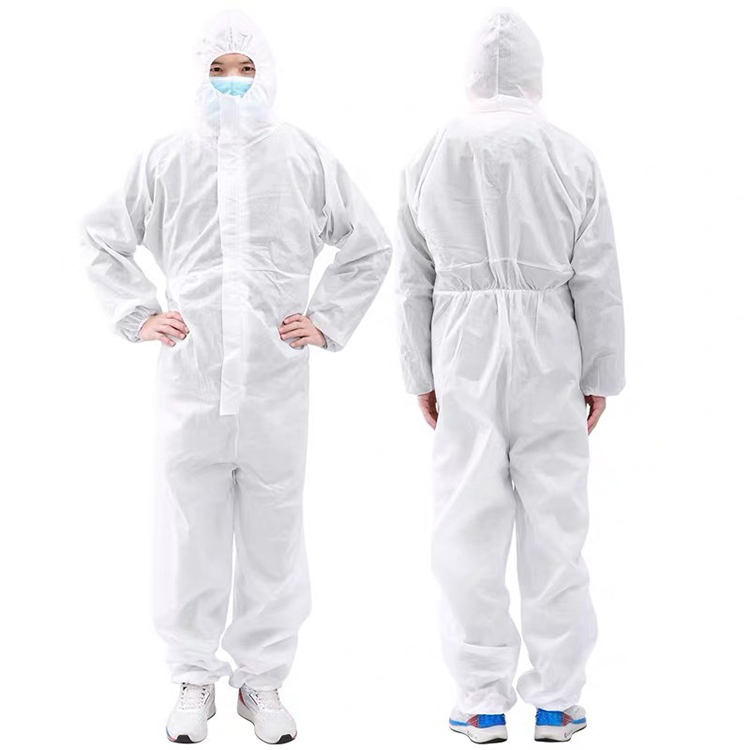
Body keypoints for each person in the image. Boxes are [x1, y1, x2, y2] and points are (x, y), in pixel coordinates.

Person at [82, 9, 391, 745]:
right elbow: (101, 237)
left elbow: (368, 244)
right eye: (218, 70)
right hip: (191, 381)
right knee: (188, 532)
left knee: (273, 536)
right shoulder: (166, 158)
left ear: (267, 74)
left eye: (245, 69)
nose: (231, 82)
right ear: (197, 75)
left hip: (274, 384)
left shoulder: (301, 154)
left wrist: (326, 319)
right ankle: (193, 677)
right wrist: (138, 313)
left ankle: (262, 681)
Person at [395, 8, 624, 744]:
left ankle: (481, 700)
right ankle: (557, 702)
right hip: (550, 343)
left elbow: (414, 279)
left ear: (468, 74)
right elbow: (597, 275)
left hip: (461, 346)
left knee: (467, 524)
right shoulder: (569, 153)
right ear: (536, 74)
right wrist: (601, 372)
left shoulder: (431, 152)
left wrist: (420, 372)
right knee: (556, 523)